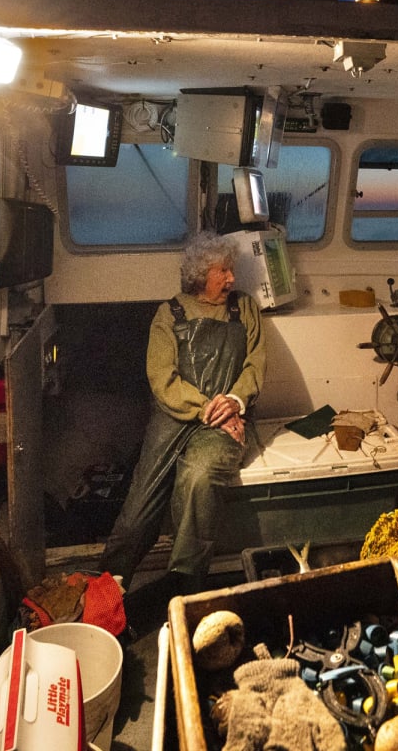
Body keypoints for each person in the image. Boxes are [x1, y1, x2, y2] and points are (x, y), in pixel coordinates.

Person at [99, 231, 265, 599]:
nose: (232, 279)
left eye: (231, 270)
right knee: (138, 507)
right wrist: (207, 406)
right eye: (224, 271)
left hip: (225, 421)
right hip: (176, 415)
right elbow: (162, 378)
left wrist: (235, 402)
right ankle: (104, 590)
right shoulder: (168, 314)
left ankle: (183, 586)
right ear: (202, 274)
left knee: (198, 477)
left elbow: (255, 365)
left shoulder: (246, 309)